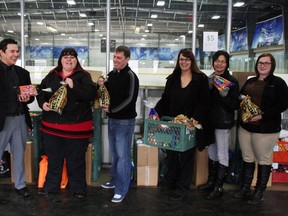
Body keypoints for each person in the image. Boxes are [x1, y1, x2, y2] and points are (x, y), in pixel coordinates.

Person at [36, 48, 97, 199]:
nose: (69, 60)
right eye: (66, 57)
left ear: (76, 60)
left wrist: (74, 84)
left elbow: (90, 95)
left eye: (72, 58)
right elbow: (41, 91)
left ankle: (78, 188)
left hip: (76, 128)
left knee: (75, 159)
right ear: (60, 60)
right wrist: (42, 103)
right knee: (54, 158)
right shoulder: (52, 75)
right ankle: (51, 186)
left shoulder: (83, 76)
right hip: (52, 126)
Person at [155, 48, 210, 200]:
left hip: (190, 125)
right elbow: (165, 99)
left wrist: (194, 119)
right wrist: (155, 113)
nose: (183, 62)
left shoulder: (200, 79)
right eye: (181, 59)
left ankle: (182, 187)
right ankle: (170, 182)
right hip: (173, 124)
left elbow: (204, 102)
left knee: (186, 156)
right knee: (171, 154)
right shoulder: (172, 78)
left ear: (192, 61)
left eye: (187, 59)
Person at [234, 53, 288, 204]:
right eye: (260, 63)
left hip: (266, 129)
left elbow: (283, 104)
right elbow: (241, 97)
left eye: (266, 63)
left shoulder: (278, 83)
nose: (262, 65)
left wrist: (263, 116)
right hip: (246, 127)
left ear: (272, 66)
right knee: (247, 157)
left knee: (263, 159)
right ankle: (245, 188)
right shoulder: (250, 80)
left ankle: (259, 191)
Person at [197, 51, 239, 200]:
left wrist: (225, 95)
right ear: (212, 63)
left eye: (223, 61)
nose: (219, 64)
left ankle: (219, 186)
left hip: (223, 122)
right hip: (209, 122)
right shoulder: (210, 79)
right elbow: (204, 101)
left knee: (222, 153)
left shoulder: (231, 81)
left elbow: (235, 105)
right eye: (217, 61)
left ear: (227, 64)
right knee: (212, 152)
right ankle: (211, 181)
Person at [101, 46, 139, 203]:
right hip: (113, 120)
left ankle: (122, 189)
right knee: (115, 154)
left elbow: (130, 99)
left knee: (123, 156)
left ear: (127, 59)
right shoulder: (112, 74)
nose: (116, 60)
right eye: (114, 57)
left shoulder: (131, 76)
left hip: (125, 122)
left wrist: (112, 110)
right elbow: (107, 92)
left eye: (119, 58)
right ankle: (116, 180)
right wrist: (101, 84)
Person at [0, 38, 34, 197]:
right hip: (2, 120)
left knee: (19, 155)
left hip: (20, 118)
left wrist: (29, 97)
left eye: (17, 51)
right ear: (2, 52)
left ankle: (20, 186)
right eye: (12, 51)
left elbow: (31, 96)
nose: (16, 54)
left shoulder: (23, 72)